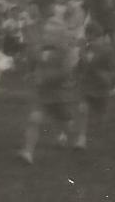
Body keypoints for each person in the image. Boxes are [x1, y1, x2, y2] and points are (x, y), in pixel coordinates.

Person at [18, 24, 75, 165]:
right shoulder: (40, 50)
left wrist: (45, 78)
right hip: (42, 93)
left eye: (51, 35)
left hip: (59, 94)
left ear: (60, 37)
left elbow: (66, 73)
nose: (47, 37)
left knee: (65, 121)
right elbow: (35, 63)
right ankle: (28, 152)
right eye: (46, 34)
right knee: (34, 118)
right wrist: (31, 73)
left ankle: (66, 135)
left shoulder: (66, 52)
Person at [74, 22, 115, 150]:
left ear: (101, 37)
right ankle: (81, 139)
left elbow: (113, 70)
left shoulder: (108, 50)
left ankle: (97, 131)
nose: (92, 41)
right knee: (82, 108)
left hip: (101, 86)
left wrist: (108, 78)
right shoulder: (85, 49)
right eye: (89, 38)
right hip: (87, 84)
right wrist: (75, 74)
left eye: (96, 38)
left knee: (101, 117)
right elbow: (81, 66)